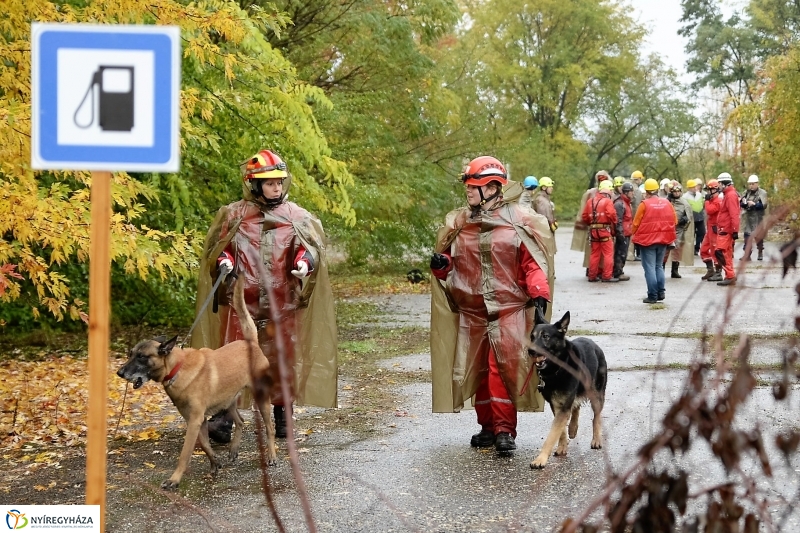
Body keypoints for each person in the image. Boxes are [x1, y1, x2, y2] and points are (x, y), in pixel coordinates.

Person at [193, 149, 338, 442]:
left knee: (281, 359)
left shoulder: (296, 216)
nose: (276, 188)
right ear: (255, 184)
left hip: (282, 303)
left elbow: (308, 248)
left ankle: (283, 417)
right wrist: (224, 262)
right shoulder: (234, 215)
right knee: (232, 359)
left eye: (279, 182)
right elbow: (222, 248)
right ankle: (223, 420)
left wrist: (304, 263)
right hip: (240, 303)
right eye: (270, 183)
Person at [429, 155, 554, 454]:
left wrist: (539, 290)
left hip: (508, 312)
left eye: (473, 185)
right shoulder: (461, 221)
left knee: (501, 371)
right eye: (468, 185)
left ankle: (504, 431)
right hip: (473, 313)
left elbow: (533, 261)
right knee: (479, 372)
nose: (467, 190)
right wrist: (442, 265)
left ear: (492, 187)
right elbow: (454, 262)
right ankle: (487, 427)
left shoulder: (518, 220)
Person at [631, 178, 677, 303]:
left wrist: (633, 234)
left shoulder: (644, 204)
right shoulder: (667, 203)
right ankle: (661, 292)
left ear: (646, 191)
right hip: (663, 240)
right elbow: (675, 220)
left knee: (650, 268)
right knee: (659, 266)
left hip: (647, 241)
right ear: (657, 190)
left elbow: (636, 223)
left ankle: (652, 295)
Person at [572, 171, 612, 275]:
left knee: (593, 250)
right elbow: (612, 214)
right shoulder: (609, 193)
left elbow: (583, 213)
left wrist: (589, 223)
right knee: (605, 251)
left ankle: (591, 271)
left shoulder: (590, 194)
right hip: (605, 227)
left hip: (592, 227)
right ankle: (603, 272)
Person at [582, 180, 618, 282]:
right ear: (608, 191)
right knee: (608, 254)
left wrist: (591, 224)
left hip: (593, 231)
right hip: (604, 230)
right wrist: (614, 224)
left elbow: (585, 216)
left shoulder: (590, 201)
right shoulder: (607, 201)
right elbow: (612, 215)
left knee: (594, 254)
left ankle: (592, 276)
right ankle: (607, 276)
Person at [714, 172, 740, 285]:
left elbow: (734, 214)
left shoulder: (730, 195)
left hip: (726, 229)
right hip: (725, 229)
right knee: (726, 253)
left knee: (720, 252)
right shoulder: (729, 194)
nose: (718, 186)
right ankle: (730, 275)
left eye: (719, 183)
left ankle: (730, 275)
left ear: (724, 183)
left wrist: (735, 230)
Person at [665, 182, 694, 279]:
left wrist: (684, 219)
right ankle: (661, 268)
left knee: (677, 250)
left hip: (679, 230)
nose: (676, 193)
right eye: (674, 191)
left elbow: (689, 215)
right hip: (667, 229)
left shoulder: (684, 203)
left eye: (678, 191)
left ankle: (674, 270)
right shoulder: (667, 201)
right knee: (665, 250)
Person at [699, 180, 723, 281]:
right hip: (710, 229)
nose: (708, 192)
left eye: (709, 190)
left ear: (715, 189)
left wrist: (707, 201)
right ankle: (710, 270)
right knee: (703, 250)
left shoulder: (718, 201)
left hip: (715, 229)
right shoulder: (712, 200)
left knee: (715, 251)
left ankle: (718, 273)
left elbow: (709, 210)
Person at [740, 174, 768, 261]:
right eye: (750, 184)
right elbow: (741, 203)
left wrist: (754, 204)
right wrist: (745, 204)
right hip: (748, 218)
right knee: (747, 237)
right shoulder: (746, 192)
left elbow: (764, 205)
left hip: (758, 217)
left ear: (757, 183)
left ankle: (760, 251)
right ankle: (747, 255)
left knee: (758, 237)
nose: (751, 186)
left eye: (753, 184)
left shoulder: (762, 193)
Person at [613, 182, 634, 281]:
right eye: (631, 191)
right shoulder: (620, 204)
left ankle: (619, 270)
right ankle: (618, 272)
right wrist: (620, 233)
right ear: (626, 192)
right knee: (620, 253)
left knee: (623, 253)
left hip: (627, 232)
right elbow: (618, 220)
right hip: (622, 233)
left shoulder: (626, 203)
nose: (633, 193)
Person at [683, 179, 706, 255]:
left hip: (700, 217)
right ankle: (690, 250)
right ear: (689, 188)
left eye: (695, 187)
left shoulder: (699, 194)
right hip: (691, 219)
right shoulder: (685, 197)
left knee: (702, 233)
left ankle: (700, 249)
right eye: (693, 187)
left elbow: (702, 204)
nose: (695, 188)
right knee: (691, 235)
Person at [630, 171, 645, 261]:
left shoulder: (627, 188)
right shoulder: (637, 191)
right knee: (636, 235)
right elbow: (637, 206)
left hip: (627, 216)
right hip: (634, 217)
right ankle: (637, 254)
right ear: (638, 179)